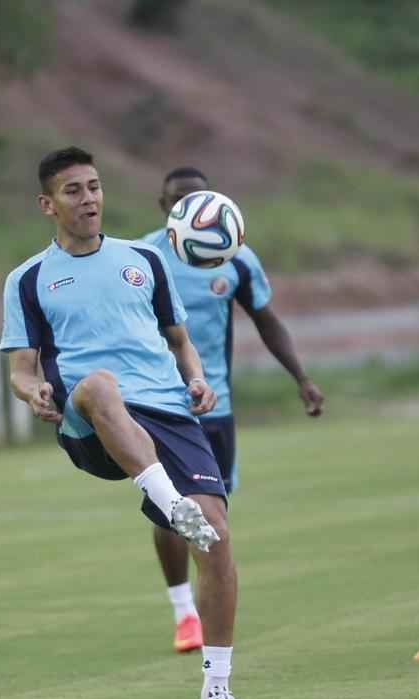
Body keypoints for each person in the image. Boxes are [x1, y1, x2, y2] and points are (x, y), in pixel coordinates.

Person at [0, 146, 254, 699]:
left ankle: (217, 695)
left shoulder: (145, 259)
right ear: (47, 203)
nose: (88, 199)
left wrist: (196, 380)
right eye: (73, 191)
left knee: (216, 537)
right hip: (91, 420)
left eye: (94, 187)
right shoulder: (29, 279)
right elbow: (20, 367)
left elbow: (180, 340)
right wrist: (31, 391)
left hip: (168, 411)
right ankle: (168, 502)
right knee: (97, 384)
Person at [138, 167, 323, 652]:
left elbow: (266, 320)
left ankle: (207, 610)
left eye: (199, 198)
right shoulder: (141, 258)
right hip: (158, 405)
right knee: (168, 513)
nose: (191, 207)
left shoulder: (236, 259)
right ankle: (184, 614)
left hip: (214, 406)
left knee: (213, 517)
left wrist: (300, 378)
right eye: (180, 200)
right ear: (164, 205)